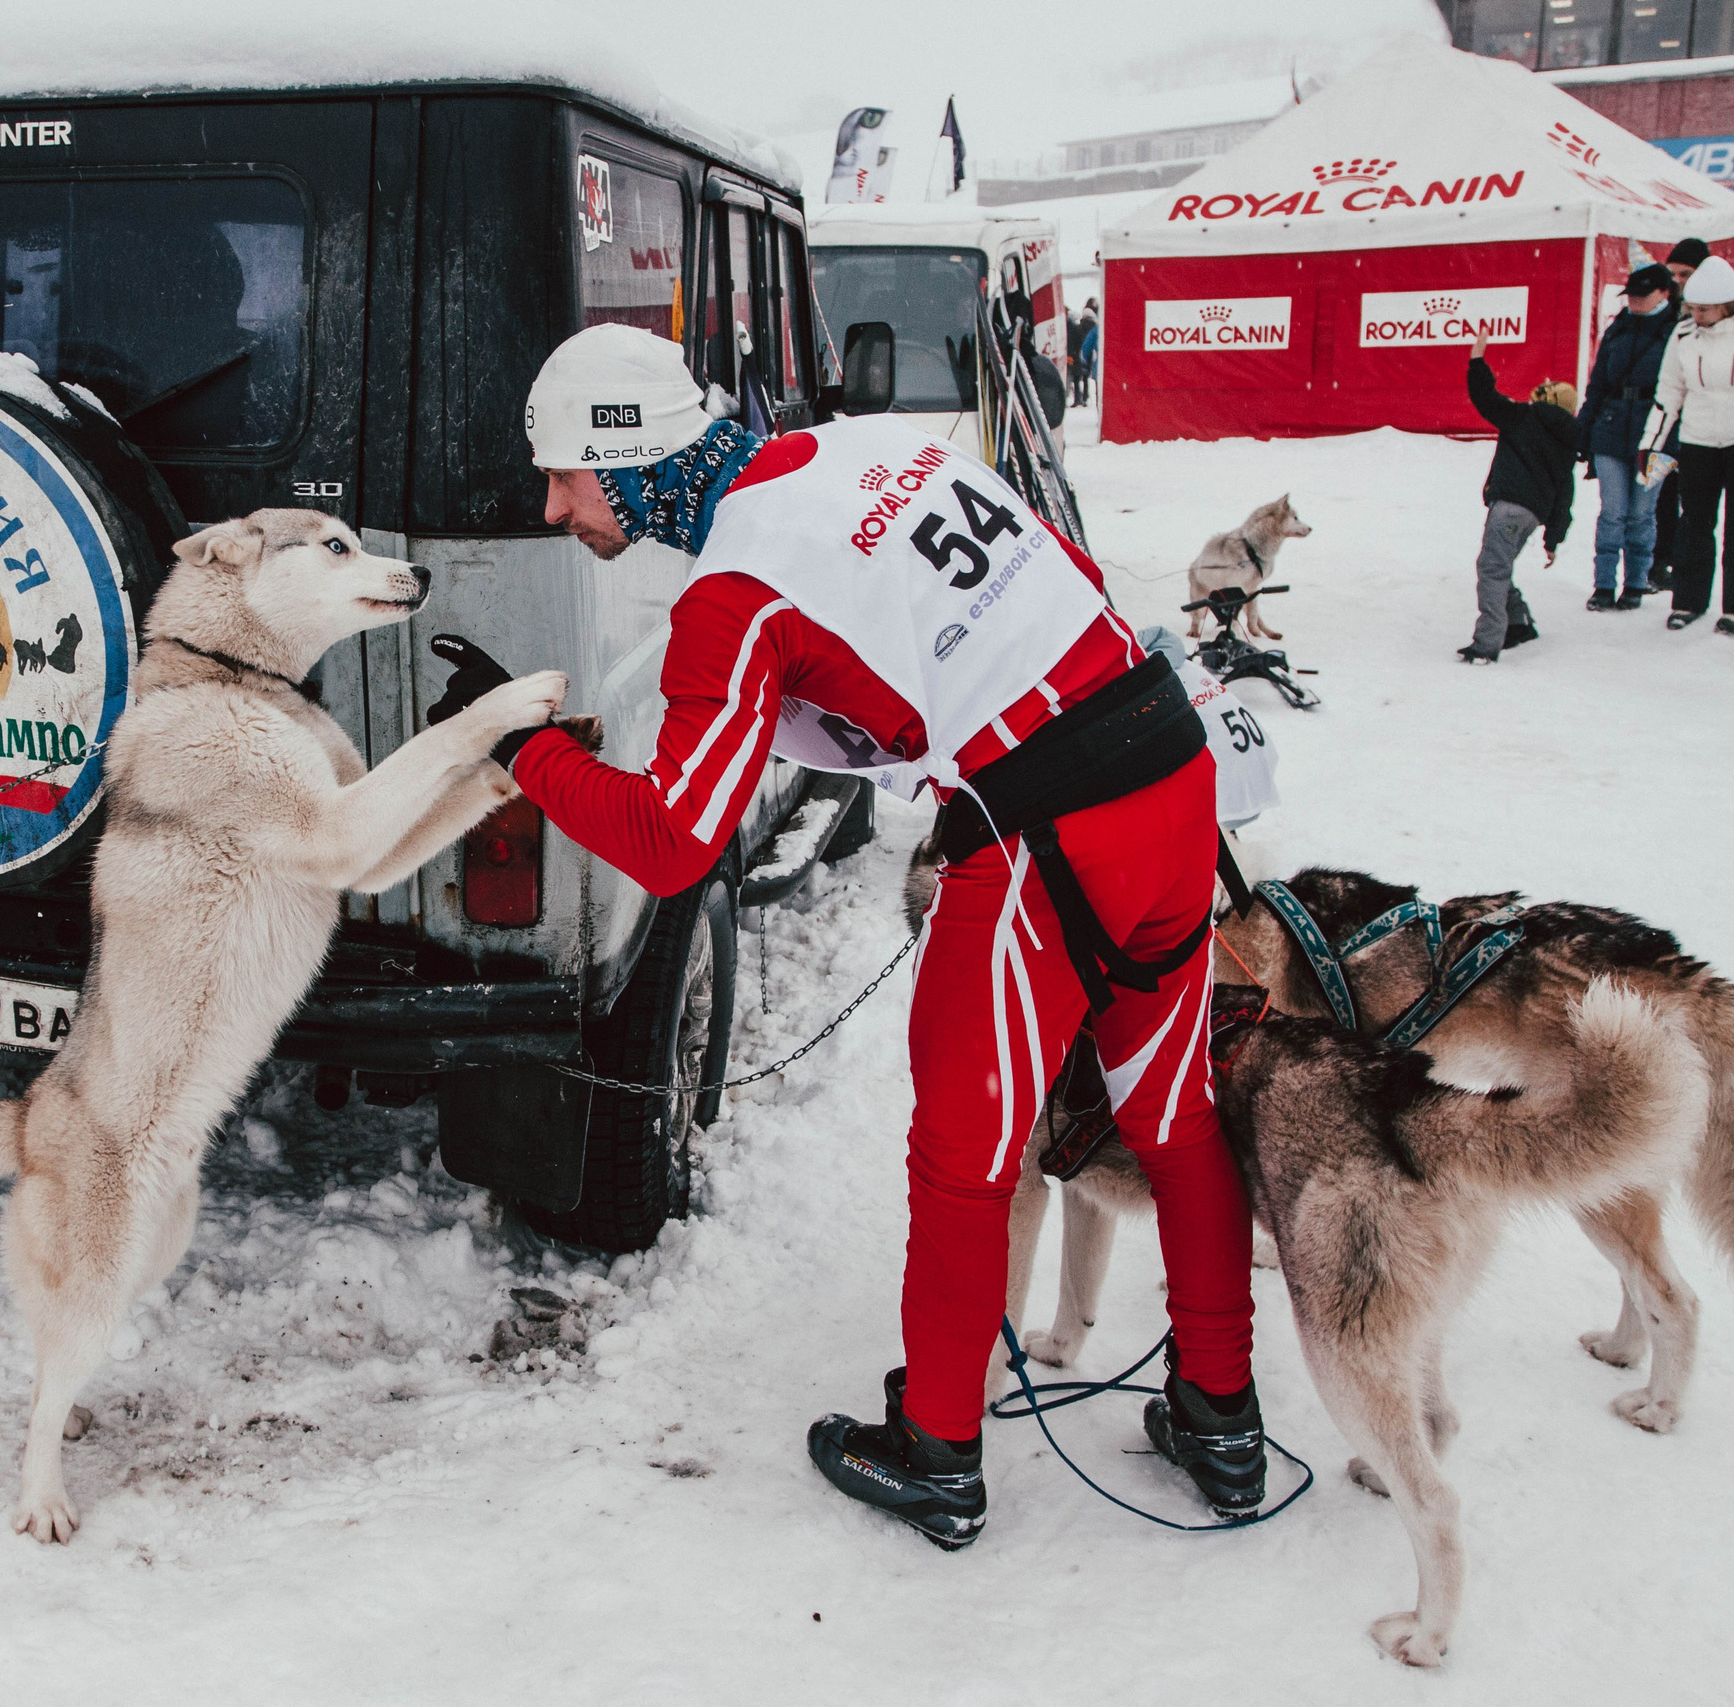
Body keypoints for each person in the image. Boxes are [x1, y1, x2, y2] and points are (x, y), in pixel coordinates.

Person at [445, 324, 1262, 1549]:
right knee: (1173, 1113)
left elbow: (672, 841)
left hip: (1044, 837)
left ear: (628, 460)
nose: (553, 506)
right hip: (1164, 770)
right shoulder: (861, 451)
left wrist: (521, 747)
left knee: (961, 1156)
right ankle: (1221, 1417)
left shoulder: (732, 593)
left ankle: (936, 1450)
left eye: (565, 474)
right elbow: (1043, 584)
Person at [1459, 329, 1575, 663]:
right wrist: (1553, 537)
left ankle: (1487, 643)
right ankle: (1520, 621)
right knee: (1501, 564)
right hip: (1532, 514)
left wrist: (1477, 360)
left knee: (1492, 569)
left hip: (1508, 506)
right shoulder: (1567, 440)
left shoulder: (1522, 416)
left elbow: (1484, 396)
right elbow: (1564, 492)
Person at [1575, 263, 1676, 609]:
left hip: (1658, 435)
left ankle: (1635, 582)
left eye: (1642, 295)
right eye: (1630, 294)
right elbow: (1598, 384)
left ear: (1664, 293)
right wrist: (1583, 433)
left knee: (1642, 514)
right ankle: (1603, 585)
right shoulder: (1617, 328)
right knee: (1613, 511)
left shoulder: (1679, 332)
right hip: (1611, 427)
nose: (1634, 301)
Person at [1643, 253, 1734, 633]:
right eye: (1692, 308)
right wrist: (1651, 443)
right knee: (1694, 523)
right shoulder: (1682, 337)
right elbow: (1669, 392)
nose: (1695, 315)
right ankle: (1688, 600)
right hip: (1696, 440)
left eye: (1704, 310)